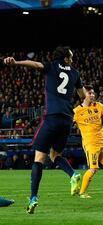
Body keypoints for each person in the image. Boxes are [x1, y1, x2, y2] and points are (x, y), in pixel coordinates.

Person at [3, 46, 85, 214]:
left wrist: (16, 62)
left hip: (52, 116)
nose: (72, 58)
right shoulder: (75, 73)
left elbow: (34, 64)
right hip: (67, 119)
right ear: (66, 58)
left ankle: (33, 197)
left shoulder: (51, 66)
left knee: (39, 158)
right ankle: (72, 174)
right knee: (55, 155)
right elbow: (83, 96)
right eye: (71, 56)